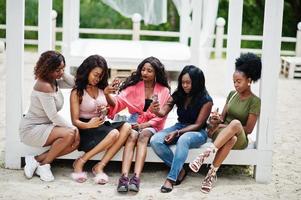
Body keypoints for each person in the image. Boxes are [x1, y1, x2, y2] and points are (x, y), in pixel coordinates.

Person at [189, 53, 262, 194]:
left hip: (241, 137)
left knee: (234, 126)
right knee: (231, 138)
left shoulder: (255, 101)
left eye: (239, 81)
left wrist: (226, 126)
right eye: (234, 81)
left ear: (249, 80)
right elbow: (222, 118)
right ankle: (211, 175)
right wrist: (216, 119)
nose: (235, 84)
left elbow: (248, 130)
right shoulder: (231, 94)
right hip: (222, 133)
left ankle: (205, 155)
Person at [104, 56, 170, 192]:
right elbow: (118, 102)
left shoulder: (164, 90)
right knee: (131, 136)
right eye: (143, 70)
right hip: (135, 120)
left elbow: (162, 116)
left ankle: (136, 177)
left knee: (143, 136)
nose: (145, 73)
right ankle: (124, 177)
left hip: (153, 124)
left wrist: (144, 125)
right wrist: (107, 95)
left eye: (149, 71)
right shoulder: (134, 87)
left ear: (156, 73)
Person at [149, 65, 213, 193]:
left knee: (183, 140)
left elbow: (198, 125)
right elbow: (163, 112)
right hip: (179, 126)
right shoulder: (179, 94)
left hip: (197, 132)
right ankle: (180, 170)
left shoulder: (206, 100)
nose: (184, 85)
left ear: (197, 82)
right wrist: (155, 110)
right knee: (155, 140)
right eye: (183, 82)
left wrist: (177, 132)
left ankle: (171, 179)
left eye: (188, 82)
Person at [19, 50, 79, 182]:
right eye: (57, 70)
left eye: (62, 69)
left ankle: (38, 160)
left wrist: (61, 72)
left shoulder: (53, 80)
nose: (61, 72)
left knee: (75, 142)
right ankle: (45, 165)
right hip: (32, 129)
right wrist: (74, 128)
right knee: (70, 134)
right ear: (47, 69)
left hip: (45, 126)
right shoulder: (44, 85)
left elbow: (75, 84)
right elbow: (54, 117)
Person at [70, 55, 131, 184]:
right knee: (114, 133)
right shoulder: (77, 92)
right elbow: (74, 121)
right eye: (95, 74)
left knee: (127, 127)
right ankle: (81, 161)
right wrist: (89, 125)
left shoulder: (102, 88)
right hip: (86, 128)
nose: (97, 79)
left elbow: (113, 106)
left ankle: (100, 166)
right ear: (87, 71)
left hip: (100, 126)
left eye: (100, 76)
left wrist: (106, 102)